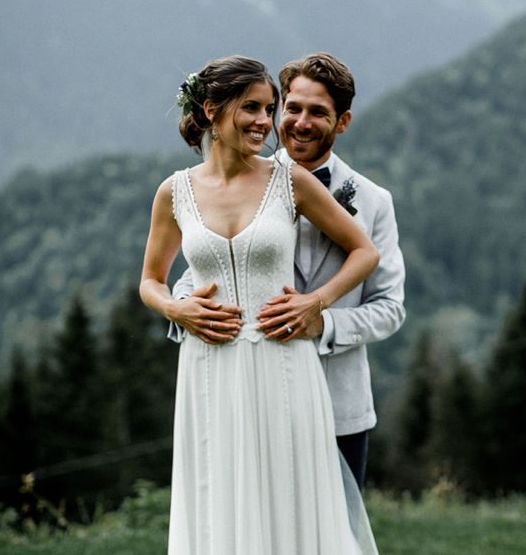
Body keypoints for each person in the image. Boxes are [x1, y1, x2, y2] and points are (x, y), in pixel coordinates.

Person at [139, 55, 380, 554]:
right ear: (210, 109)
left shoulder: (287, 180)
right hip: (208, 369)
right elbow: (150, 281)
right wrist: (174, 309)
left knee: (291, 502)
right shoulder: (174, 193)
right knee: (217, 503)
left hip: (283, 367)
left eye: (269, 109)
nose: (264, 122)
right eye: (251, 107)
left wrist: (317, 302)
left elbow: (365, 251)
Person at [171, 52, 406, 489]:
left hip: (337, 406)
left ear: (343, 122)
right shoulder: (238, 180)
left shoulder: (373, 202)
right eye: (292, 108)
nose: (300, 122)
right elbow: (206, 263)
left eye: (318, 113)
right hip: (249, 397)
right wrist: (183, 305)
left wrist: (322, 319)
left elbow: (390, 309)